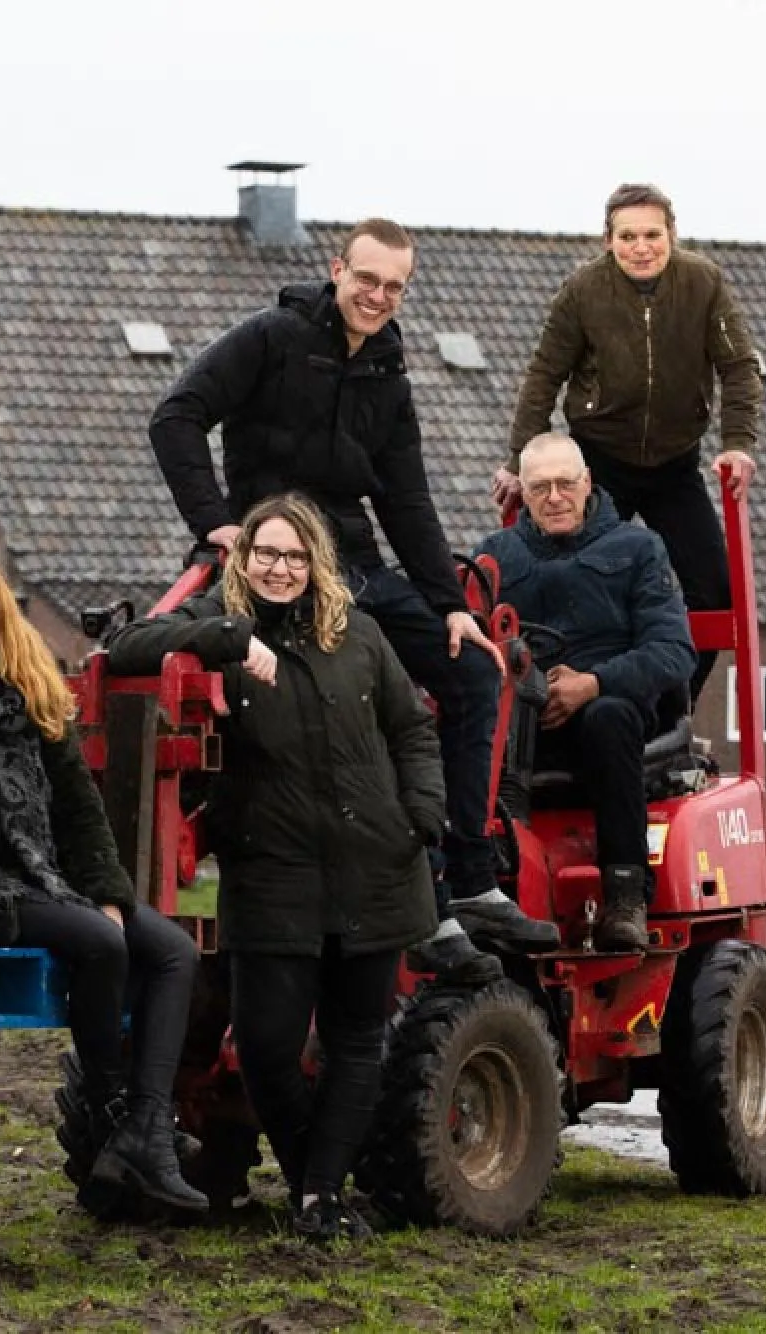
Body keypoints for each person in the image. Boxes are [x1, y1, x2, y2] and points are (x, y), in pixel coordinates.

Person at [149, 216, 557, 988]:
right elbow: (175, 417)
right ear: (338, 270)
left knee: (472, 672)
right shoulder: (270, 338)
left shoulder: (387, 374)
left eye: (394, 287)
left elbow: (407, 498)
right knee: (369, 696)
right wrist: (217, 526)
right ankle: (423, 910)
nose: (377, 296)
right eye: (366, 279)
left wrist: (451, 605)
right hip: (277, 557)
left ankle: (470, 876)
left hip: (354, 560)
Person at [106, 493, 443, 1243]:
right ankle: (310, 1182)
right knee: (265, 1045)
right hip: (273, 873)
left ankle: (321, 1196)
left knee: (359, 1039)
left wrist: (421, 814)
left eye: (295, 556)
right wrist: (226, 636)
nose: (281, 569)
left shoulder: (359, 637)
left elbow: (412, 728)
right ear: (243, 560)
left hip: (376, 865)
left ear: (316, 561)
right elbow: (127, 646)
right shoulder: (216, 632)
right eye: (267, 555)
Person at [0, 552, 207, 1213]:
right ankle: (117, 1120)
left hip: (41, 875)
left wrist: (112, 893)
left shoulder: (30, 696)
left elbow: (79, 809)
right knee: (101, 944)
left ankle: (145, 1128)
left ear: (2, 619)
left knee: (174, 951)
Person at [497, 182, 763, 707]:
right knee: (585, 584)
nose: (640, 248)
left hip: (674, 465)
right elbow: (544, 375)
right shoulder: (583, 291)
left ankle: (668, 708)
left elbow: (738, 366)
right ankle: (571, 702)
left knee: (714, 592)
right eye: (627, 236)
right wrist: (516, 461)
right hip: (600, 462)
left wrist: (737, 442)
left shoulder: (704, 283)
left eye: (651, 235)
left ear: (671, 236)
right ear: (608, 240)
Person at [477, 435, 697, 952]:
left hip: (610, 721)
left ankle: (625, 896)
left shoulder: (639, 548)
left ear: (587, 484)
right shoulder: (495, 556)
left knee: (609, 718)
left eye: (565, 484)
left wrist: (592, 685)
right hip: (521, 722)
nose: (555, 497)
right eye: (540, 488)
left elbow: (673, 650)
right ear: (523, 495)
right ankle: (473, 886)